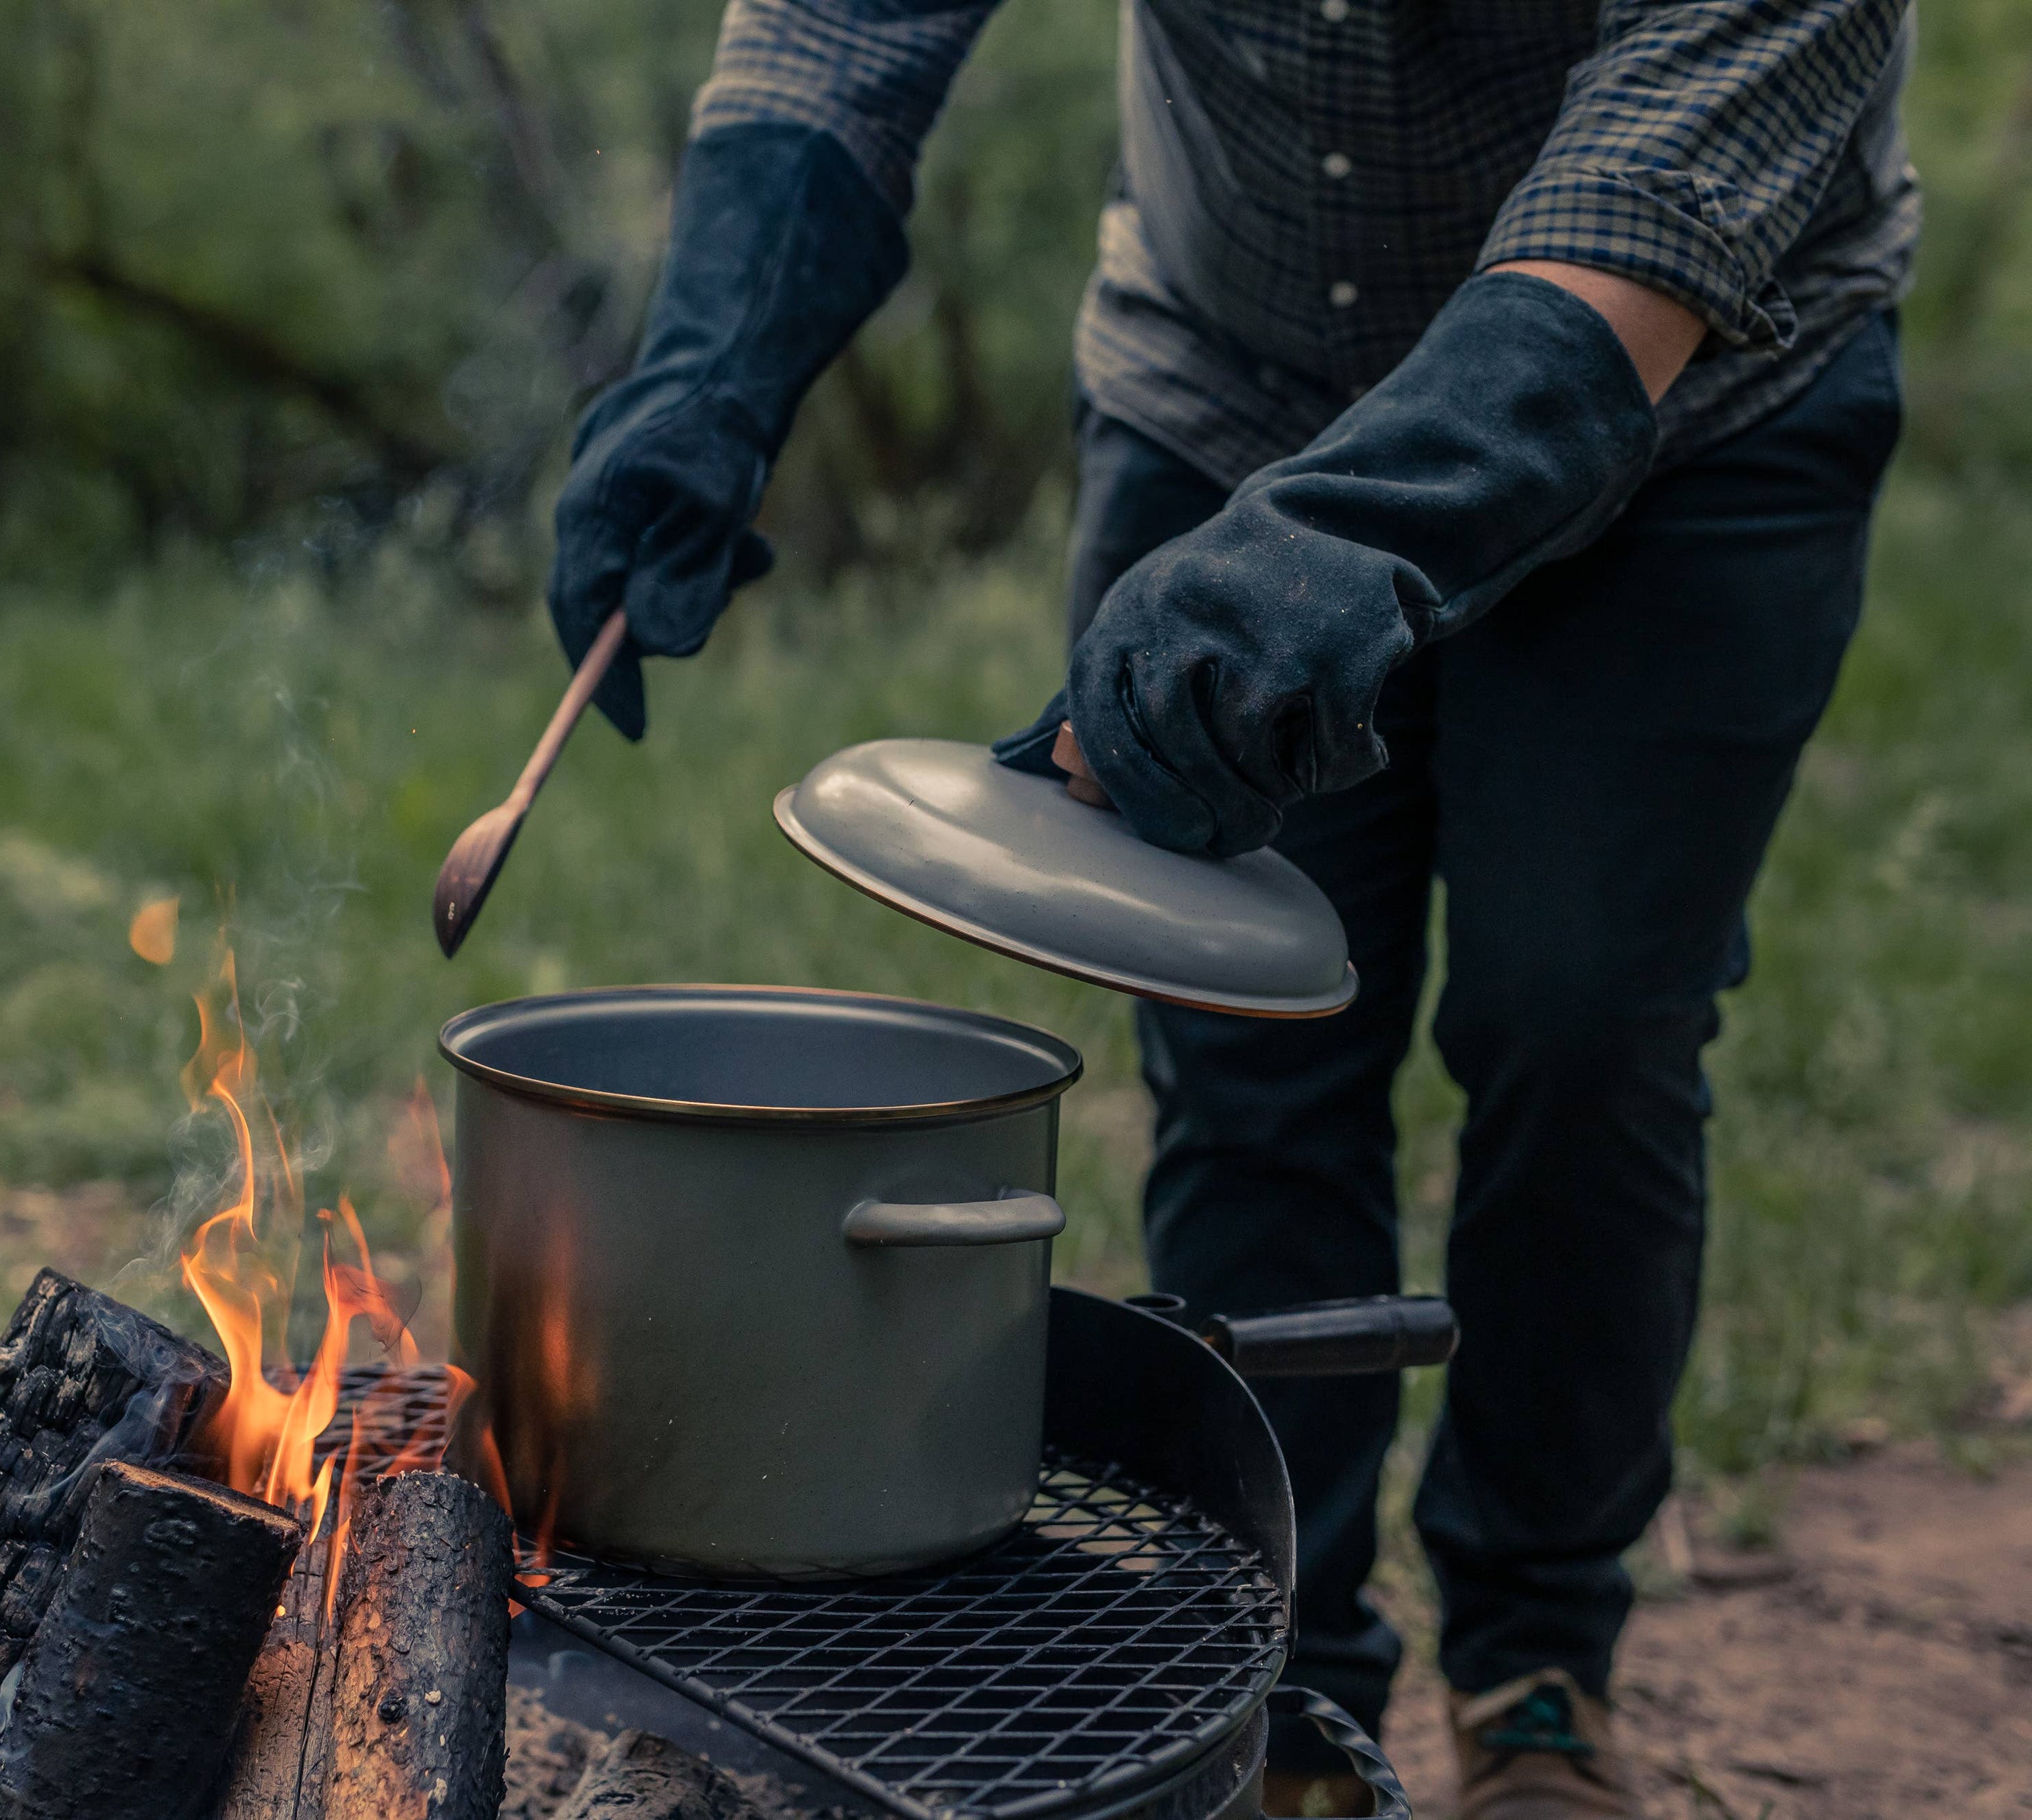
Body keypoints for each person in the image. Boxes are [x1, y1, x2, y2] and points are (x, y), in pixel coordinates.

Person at [542, 3, 1918, 1815]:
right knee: (1248, 1068)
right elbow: (840, 24)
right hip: (1227, 378)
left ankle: (1534, 1671)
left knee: (1582, 1023)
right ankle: (1276, 1690)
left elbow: (1657, 191)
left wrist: (1338, 542)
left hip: (1691, 412)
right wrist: (716, 352)